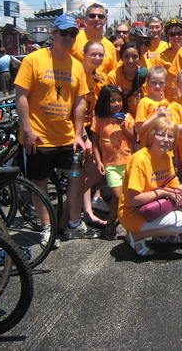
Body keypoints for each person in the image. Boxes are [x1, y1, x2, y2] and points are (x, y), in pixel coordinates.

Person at [14, 14, 96, 243]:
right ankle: (46, 227)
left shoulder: (77, 65)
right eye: (64, 32)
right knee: (39, 182)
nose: (69, 37)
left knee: (77, 176)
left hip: (67, 136)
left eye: (73, 33)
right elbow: (20, 95)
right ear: (54, 33)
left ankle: (73, 221)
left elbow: (80, 102)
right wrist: (28, 129)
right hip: (38, 137)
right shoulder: (34, 59)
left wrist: (79, 134)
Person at [118, 117, 182, 257]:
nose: (166, 139)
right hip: (134, 213)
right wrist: (163, 192)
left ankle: (160, 237)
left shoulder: (166, 157)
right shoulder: (140, 159)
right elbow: (135, 199)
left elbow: (175, 188)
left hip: (154, 206)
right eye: (161, 134)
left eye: (170, 136)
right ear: (151, 138)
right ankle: (136, 236)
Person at [92, 85, 135, 240]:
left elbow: (133, 138)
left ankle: (126, 223)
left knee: (129, 196)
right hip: (111, 165)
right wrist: (98, 162)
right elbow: (95, 143)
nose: (116, 104)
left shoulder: (127, 118)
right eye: (112, 101)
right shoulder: (99, 120)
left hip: (128, 162)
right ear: (105, 102)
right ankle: (111, 222)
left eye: (118, 100)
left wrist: (123, 126)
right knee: (117, 196)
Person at [79, 40, 109, 227]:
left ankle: (85, 209)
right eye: (93, 54)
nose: (97, 58)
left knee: (92, 171)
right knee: (86, 173)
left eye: (100, 55)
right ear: (84, 54)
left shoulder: (96, 76)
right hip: (81, 130)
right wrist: (82, 134)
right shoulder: (79, 74)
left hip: (92, 126)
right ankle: (85, 211)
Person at [69, 3, 117, 76]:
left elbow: (112, 73)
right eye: (92, 16)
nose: (96, 18)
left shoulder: (110, 45)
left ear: (105, 20)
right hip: (79, 86)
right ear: (85, 19)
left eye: (100, 16)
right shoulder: (74, 37)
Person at [103, 41, 147, 118]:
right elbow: (107, 102)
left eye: (134, 56)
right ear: (121, 58)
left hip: (142, 119)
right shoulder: (113, 76)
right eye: (126, 56)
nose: (130, 60)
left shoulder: (146, 76)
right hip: (119, 119)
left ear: (140, 57)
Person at [135, 66, 171, 146]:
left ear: (166, 83)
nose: (157, 86)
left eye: (161, 83)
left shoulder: (169, 105)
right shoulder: (144, 102)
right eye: (154, 82)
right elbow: (138, 129)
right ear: (147, 82)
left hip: (167, 149)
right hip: (149, 147)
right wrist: (156, 115)